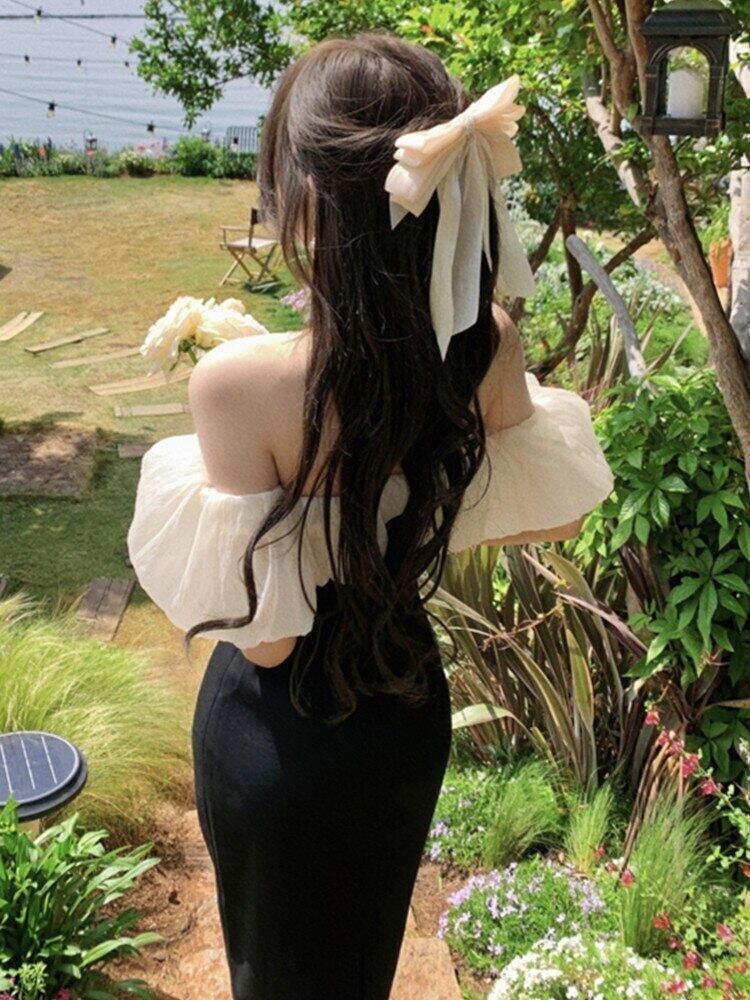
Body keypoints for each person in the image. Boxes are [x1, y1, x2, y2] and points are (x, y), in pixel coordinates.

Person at [127, 32, 614, 1000]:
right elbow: (550, 514)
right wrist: (401, 509)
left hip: (278, 727)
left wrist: (218, 477)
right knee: (359, 958)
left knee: (274, 965)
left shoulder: (237, 382)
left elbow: (267, 637)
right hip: (404, 707)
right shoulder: (485, 345)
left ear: (309, 196)